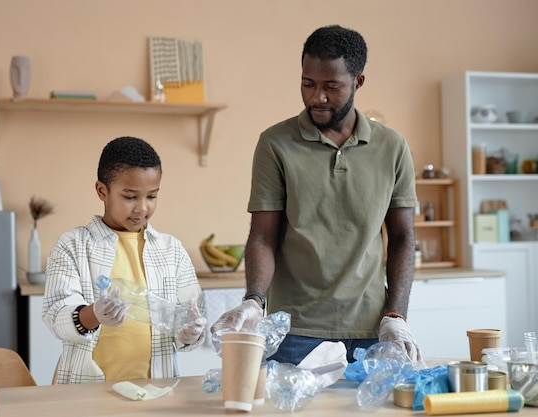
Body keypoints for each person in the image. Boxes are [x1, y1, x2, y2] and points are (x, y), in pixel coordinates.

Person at [211, 25, 422, 364]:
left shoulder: (392, 146)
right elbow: (263, 236)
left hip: (372, 330)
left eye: (331, 87)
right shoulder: (275, 143)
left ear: (358, 82)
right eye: (307, 84)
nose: (316, 97)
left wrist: (396, 316)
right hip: (294, 332)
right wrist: (254, 299)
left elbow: (402, 237)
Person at [43, 136, 206, 384]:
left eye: (151, 196)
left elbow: (190, 321)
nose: (142, 208)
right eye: (130, 197)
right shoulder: (73, 245)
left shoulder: (171, 249)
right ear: (102, 191)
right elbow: (56, 317)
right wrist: (94, 314)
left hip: (156, 390)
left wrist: (191, 332)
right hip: (88, 393)